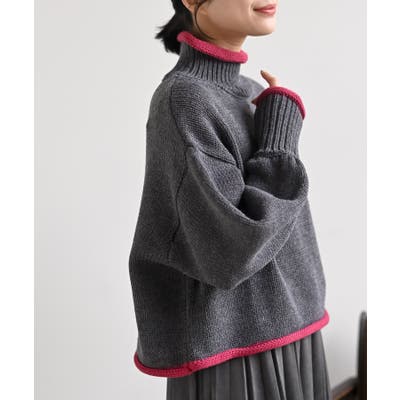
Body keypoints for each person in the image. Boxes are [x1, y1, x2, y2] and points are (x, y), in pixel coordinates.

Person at [128, 0, 332, 399]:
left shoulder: (251, 94)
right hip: (239, 354)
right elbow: (234, 250)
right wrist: (279, 141)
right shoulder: (184, 100)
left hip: (296, 333)